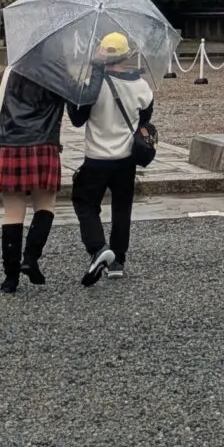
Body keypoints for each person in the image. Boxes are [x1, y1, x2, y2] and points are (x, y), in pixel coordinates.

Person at [68, 31, 154, 287]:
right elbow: (145, 120)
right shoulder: (141, 86)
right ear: (126, 55)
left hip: (96, 156)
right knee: (121, 207)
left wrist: (73, 90)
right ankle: (118, 261)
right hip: (126, 157)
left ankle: (98, 247)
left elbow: (77, 119)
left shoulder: (94, 85)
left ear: (101, 55)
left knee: (85, 203)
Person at [0, 64, 70, 294]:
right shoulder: (56, 74)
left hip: (9, 145)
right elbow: (75, 107)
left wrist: (3, 137)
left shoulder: (7, 74)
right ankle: (30, 259)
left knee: (12, 213)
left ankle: (10, 279)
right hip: (44, 145)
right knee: (45, 205)